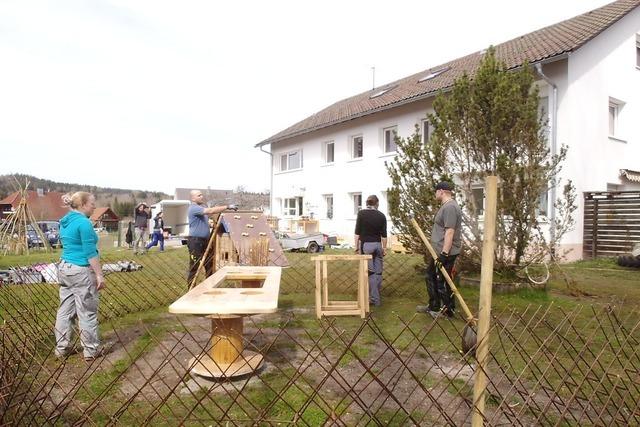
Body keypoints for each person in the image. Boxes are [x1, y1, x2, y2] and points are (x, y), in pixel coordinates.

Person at [55, 192, 107, 362]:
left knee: (65, 310)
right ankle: (91, 350)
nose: (94, 206)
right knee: (87, 311)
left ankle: (62, 348)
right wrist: (99, 275)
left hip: (64, 268)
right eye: (92, 203)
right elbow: (90, 252)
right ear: (83, 204)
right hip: (80, 270)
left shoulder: (65, 221)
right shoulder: (84, 223)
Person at [418, 181, 463, 318]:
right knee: (430, 276)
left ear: (441, 191)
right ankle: (434, 305)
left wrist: (444, 253)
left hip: (446, 252)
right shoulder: (446, 206)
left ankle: (448, 310)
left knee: (443, 281)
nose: (435, 194)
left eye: (436, 191)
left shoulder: (450, 207)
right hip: (438, 251)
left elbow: (450, 232)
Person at [187, 190, 237, 288]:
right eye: (199, 195)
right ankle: (191, 289)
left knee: (209, 264)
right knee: (195, 266)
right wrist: (227, 207)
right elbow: (210, 211)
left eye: (201, 195)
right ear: (193, 198)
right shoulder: (193, 208)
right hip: (195, 241)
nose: (202, 196)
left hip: (205, 241)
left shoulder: (200, 208)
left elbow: (204, 221)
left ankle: (209, 287)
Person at [354, 195, 387, 306]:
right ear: (377, 203)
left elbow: (357, 232)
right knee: (378, 272)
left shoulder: (361, 214)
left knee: (371, 273)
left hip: (366, 245)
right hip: (378, 245)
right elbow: (384, 235)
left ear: (367, 203)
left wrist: (356, 247)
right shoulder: (382, 216)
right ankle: (376, 295)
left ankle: (375, 300)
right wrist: (384, 248)